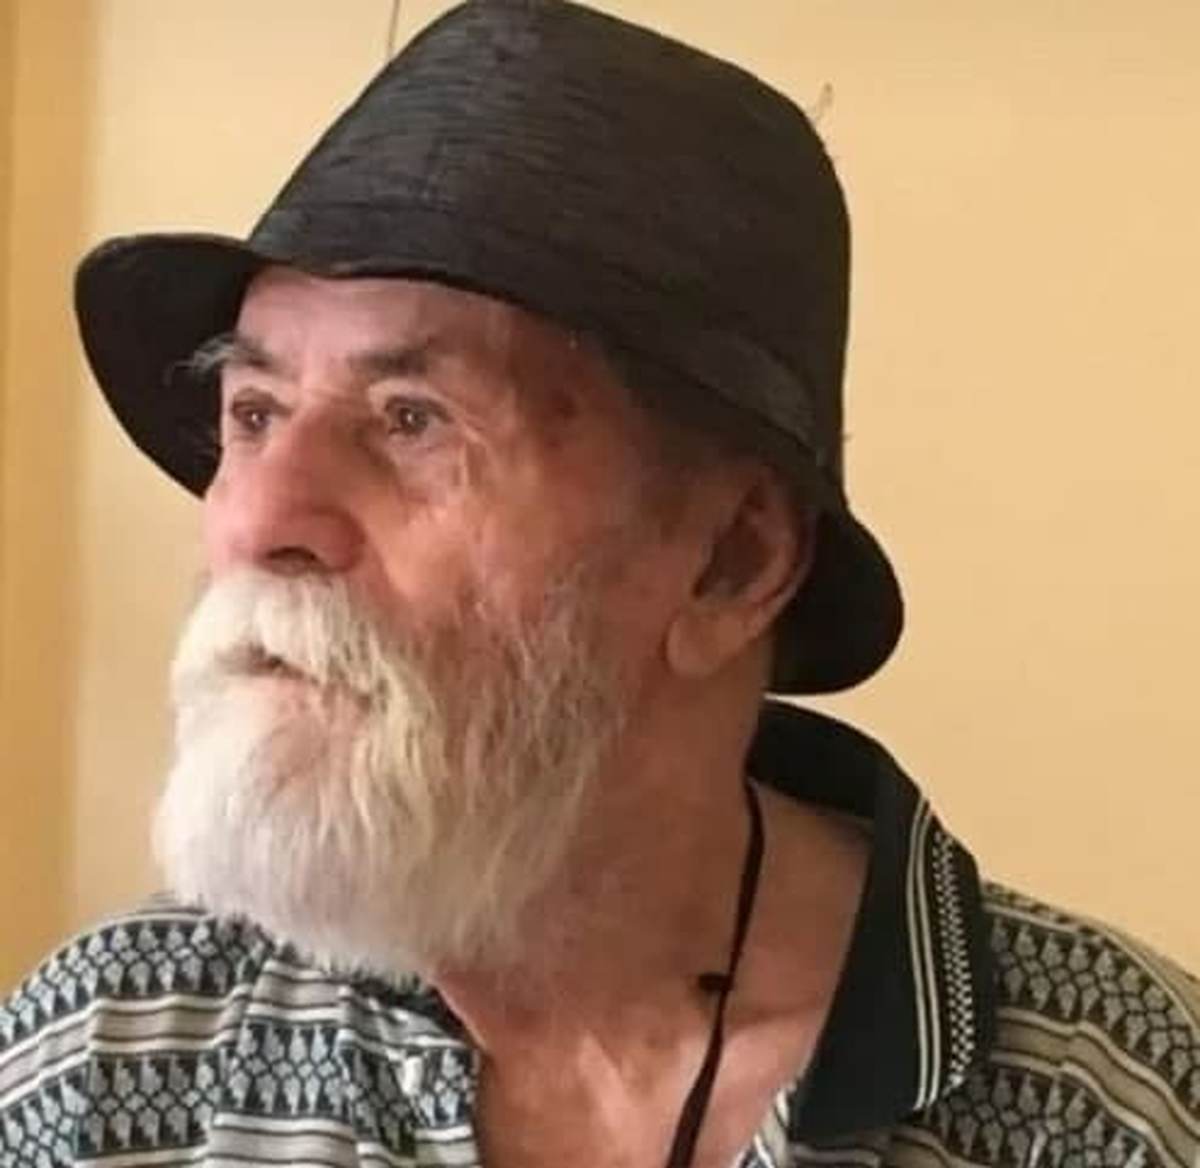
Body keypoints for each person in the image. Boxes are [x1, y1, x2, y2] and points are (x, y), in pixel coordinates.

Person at [2, 2, 1197, 1166]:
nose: (258, 520)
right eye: (254, 413)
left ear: (730, 561)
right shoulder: (101, 1057)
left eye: (413, 420)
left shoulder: (1116, 1104)